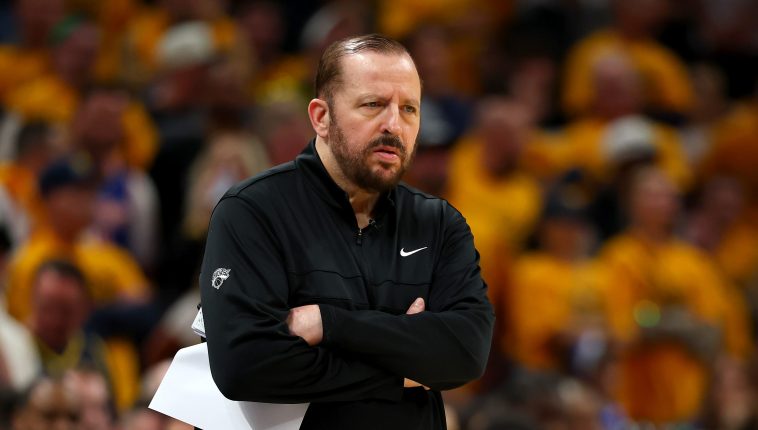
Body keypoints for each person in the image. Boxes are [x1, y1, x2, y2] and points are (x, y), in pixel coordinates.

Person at [200, 34, 494, 429]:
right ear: (321, 117)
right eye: (373, 105)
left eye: (409, 109)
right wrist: (403, 370)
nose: (394, 124)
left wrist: (328, 323)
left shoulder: (439, 223)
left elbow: (466, 352)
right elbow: (245, 366)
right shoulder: (253, 211)